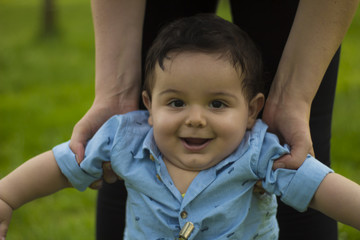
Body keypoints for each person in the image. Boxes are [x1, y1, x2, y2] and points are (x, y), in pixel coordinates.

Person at [1, 15, 360, 239]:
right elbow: (64, 165)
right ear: (148, 106)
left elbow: (320, 188)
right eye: (176, 102)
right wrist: (6, 197)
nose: (195, 118)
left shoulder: (260, 152)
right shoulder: (126, 139)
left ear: (252, 111)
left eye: (217, 104)